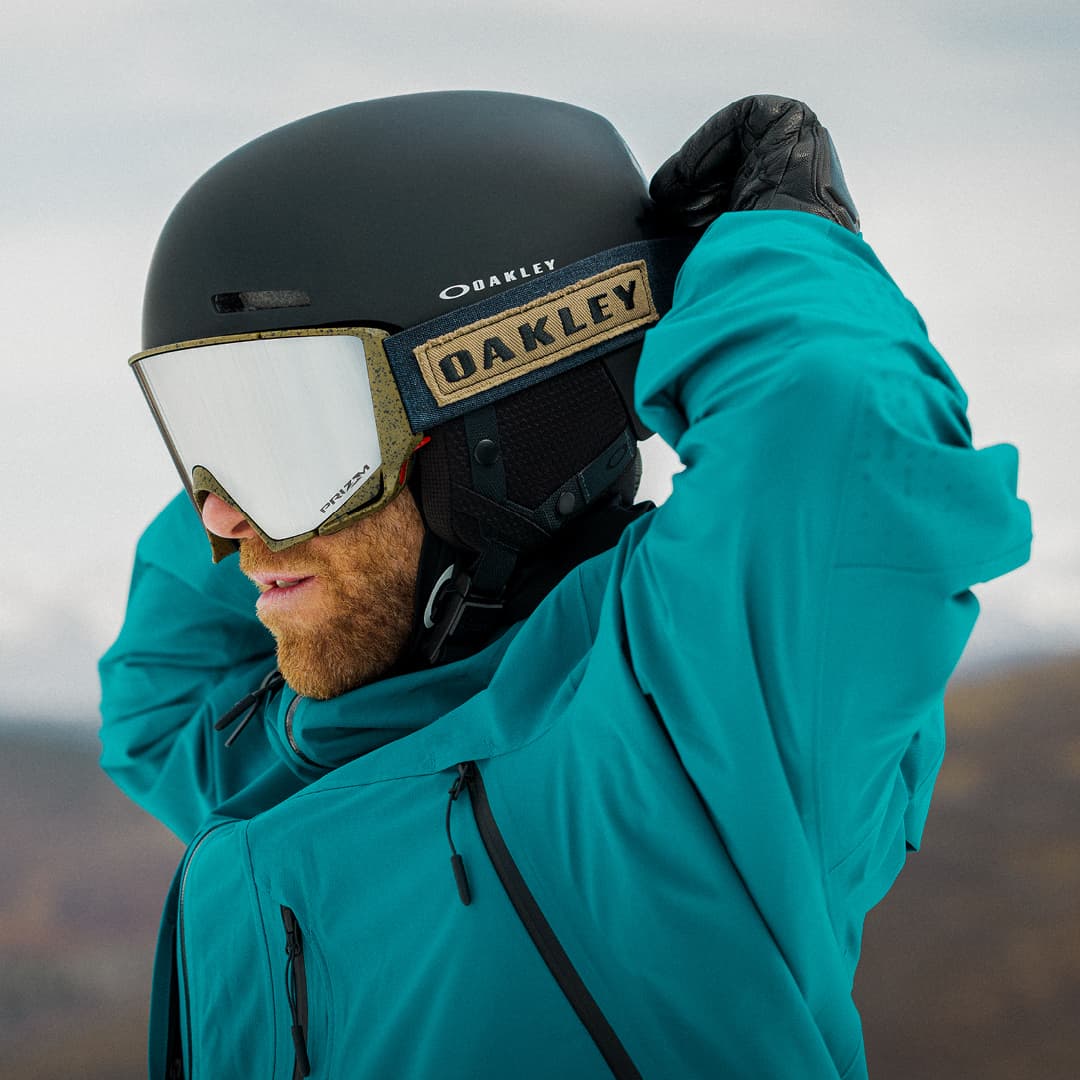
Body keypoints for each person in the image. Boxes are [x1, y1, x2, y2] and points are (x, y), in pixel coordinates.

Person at [99, 91, 1031, 1079]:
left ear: (499, 426)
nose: (218, 520)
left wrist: (774, 252)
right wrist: (274, 452)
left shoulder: (693, 746)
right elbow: (160, 690)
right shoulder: (280, 756)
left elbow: (835, 440)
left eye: (289, 445)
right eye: (210, 445)